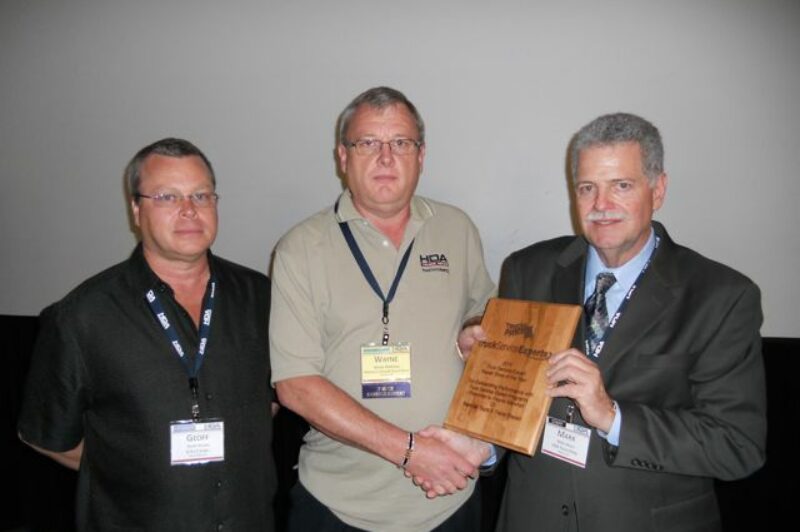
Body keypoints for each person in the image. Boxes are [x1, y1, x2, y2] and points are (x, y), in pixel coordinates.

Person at [492, 113, 767, 531]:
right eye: (588, 188)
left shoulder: (721, 296)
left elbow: (736, 446)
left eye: (621, 186)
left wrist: (613, 416)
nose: (601, 206)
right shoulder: (527, 270)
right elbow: (507, 402)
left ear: (658, 190)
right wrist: (479, 443)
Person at [18, 138, 276, 531]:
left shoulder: (261, 297)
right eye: (167, 197)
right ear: (136, 210)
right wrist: (132, 468)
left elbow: (272, 399)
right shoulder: (83, 316)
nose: (189, 210)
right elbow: (46, 434)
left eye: (201, 195)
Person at [269, 86, 494, 532]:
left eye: (401, 143)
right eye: (368, 143)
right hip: (339, 505)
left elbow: (484, 320)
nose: (386, 157)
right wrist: (411, 451)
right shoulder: (301, 248)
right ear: (342, 156)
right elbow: (295, 385)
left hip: (450, 499)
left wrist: (474, 329)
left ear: (421, 154)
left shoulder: (457, 229)